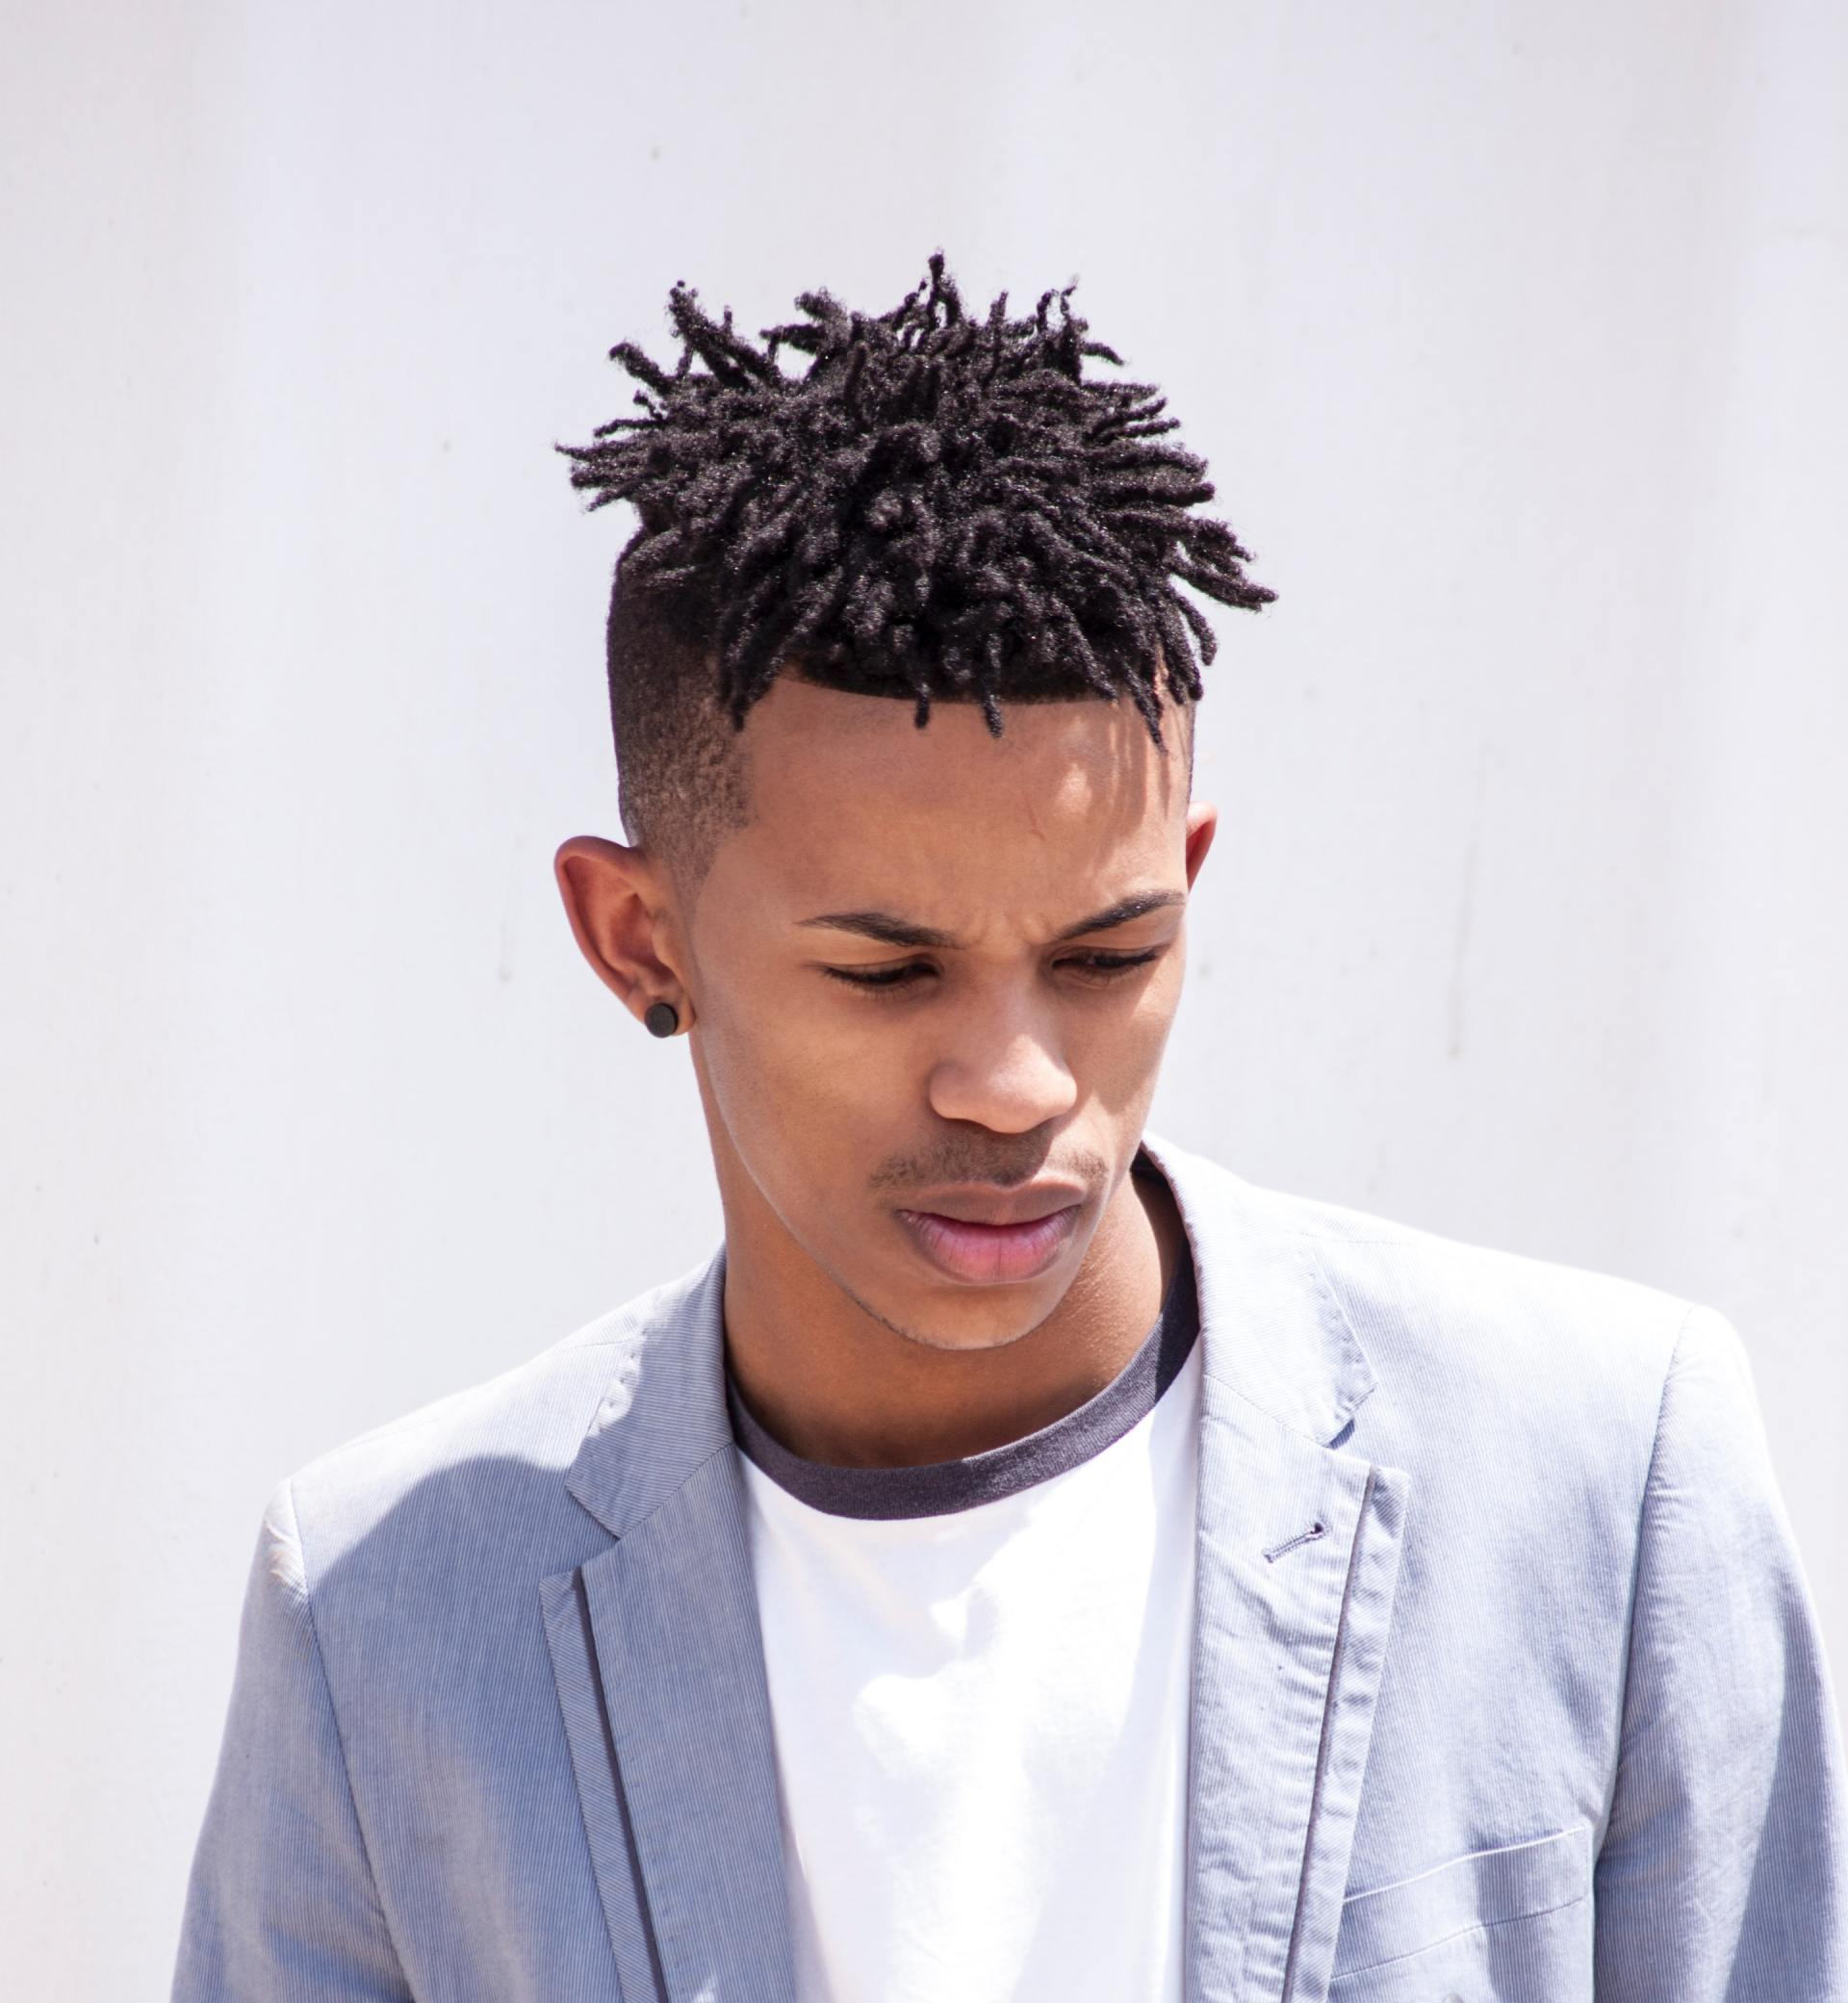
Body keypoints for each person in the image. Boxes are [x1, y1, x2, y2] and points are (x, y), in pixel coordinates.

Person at [171, 254, 1846, 2003]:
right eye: (890, 973)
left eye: (1107, 952)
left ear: (1188, 878)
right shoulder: (382, 1628)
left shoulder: (1606, 1478)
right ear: (638, 939)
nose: (1022, 1083)